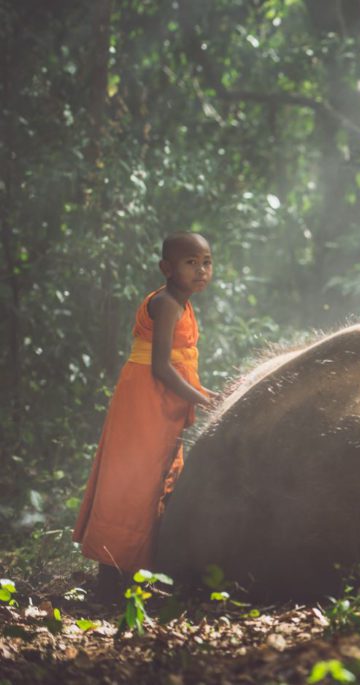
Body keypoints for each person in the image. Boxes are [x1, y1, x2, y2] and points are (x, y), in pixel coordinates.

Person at [73, 232, 218, 600]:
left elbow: (178, 362)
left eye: (206, 262)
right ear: (166, 268)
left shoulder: (183, 302)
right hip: (146, 397)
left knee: (154, 478)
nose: (201, 270)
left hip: (162, 399)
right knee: (133, 480)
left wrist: (204, 393)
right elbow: (161, 368)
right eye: (191, 262)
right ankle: (111, 578)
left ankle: (135, 573)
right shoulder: (167, 302)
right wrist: (201, 398)